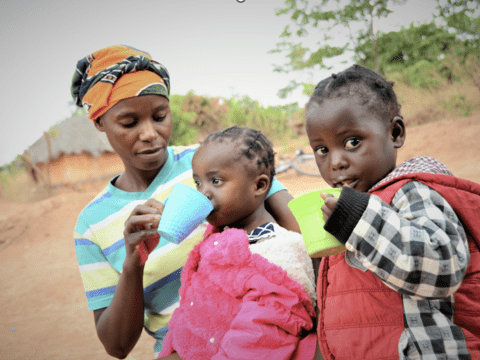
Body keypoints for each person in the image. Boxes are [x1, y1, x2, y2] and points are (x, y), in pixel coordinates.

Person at [71, 45, 301, 359]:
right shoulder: (92, 223)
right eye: (129, 123)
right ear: (100, 122)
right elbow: (117, 345)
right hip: (183, 348)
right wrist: (132, 263)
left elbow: (299, 233)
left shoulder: (214, 160)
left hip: (264, 330)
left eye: (160, 116)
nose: (151, 133)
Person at [305, 64, 480, 359]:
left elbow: (441, 265)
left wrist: (357, 220)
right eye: (322, 149)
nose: (335, 162)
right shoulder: (346, 210)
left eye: (352, 142)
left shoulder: (412, 191)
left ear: (395, 133)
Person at [157, 126, 317, 360]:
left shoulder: (277, 253)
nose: (204, 193)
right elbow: (190, 311)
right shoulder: (217, 240)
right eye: (198, 183)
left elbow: (260, 338)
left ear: (260, 186)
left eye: (216, 181)